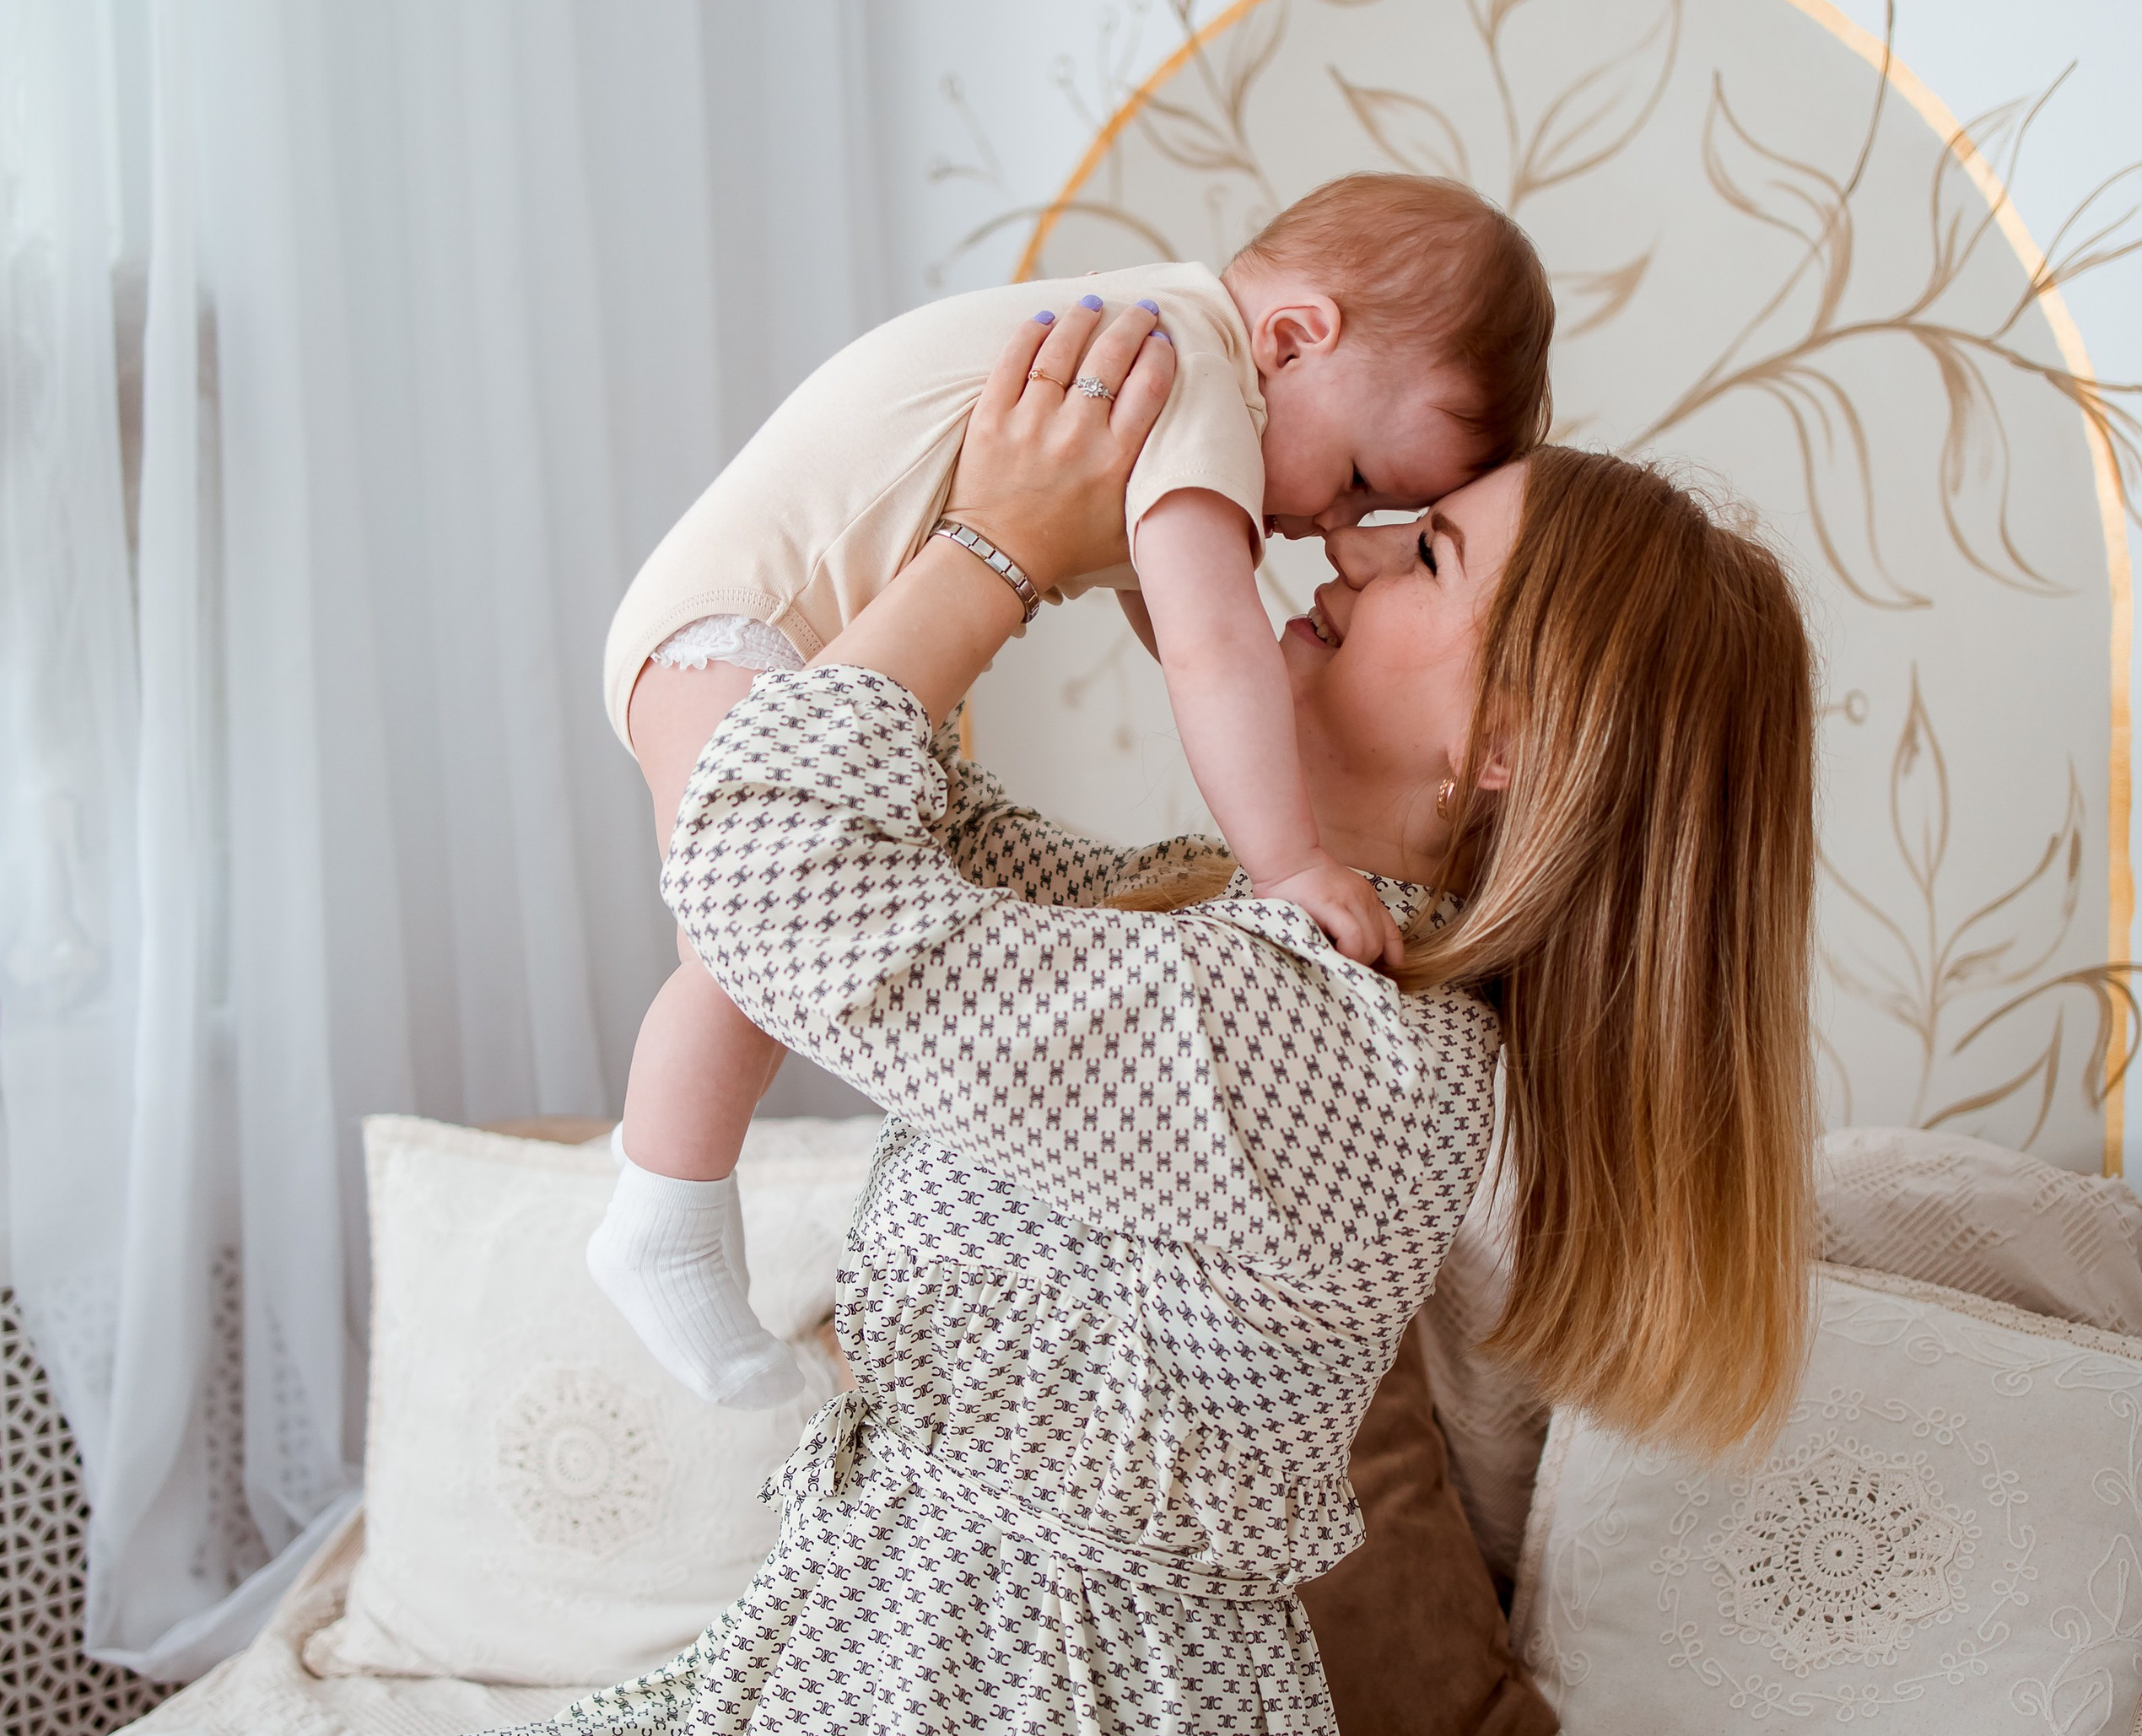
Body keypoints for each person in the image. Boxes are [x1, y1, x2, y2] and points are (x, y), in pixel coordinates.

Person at [67, 298, 1816, 1736]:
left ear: (1514, 739)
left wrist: (982, 560)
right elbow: (897, 833)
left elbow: (787, 888)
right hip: (849, 1718)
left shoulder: (1354, 1068)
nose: (1333, 552)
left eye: (1416, 558)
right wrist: (990, 529)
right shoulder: (1222, 934)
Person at [585, 173, 1554, 1406]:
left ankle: (665, 1210)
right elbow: (1211, 649)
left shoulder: (1359, 1057)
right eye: (1367, 482)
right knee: (736, 956)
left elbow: (1202, 640)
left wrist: (1007, 550)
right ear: (1297, 338)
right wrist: (1290, 864)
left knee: (733, 957)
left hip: (735, 619)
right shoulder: (1190, 370)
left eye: (1404, 532)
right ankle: (663, 1212)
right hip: (751, 626)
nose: (1332, 530)